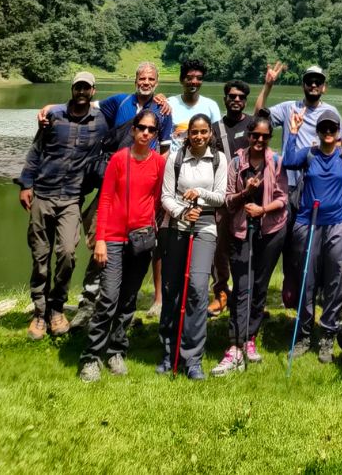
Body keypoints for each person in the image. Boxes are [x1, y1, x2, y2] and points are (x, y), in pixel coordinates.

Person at [36, 62, 173, 329]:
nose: (146, 82)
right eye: (141, 78)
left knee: (135, 249)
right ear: (135, 80)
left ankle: (121, 309)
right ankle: (90, 304)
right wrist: (52, 107)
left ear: (157, 82)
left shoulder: (163, 110)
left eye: (150, 79)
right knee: (101, 240)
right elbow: (84, 105)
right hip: (113, 186)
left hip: (143, 193)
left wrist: (158, 193)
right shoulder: (119, 103)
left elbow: (165, 152)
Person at [17, 72, 110, 341]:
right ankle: (39, 312)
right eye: (77, 87)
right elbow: (36, 151)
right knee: (40, 256)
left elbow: (132, 120)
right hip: (42, 194)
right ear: (72, 89)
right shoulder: (54, 117)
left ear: (93, 92)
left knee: (68, 253)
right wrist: (26, 184)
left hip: (71, 198)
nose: (82, 92)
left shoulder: (101, 121)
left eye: (87, 88)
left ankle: (57, 307)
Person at [78, 110, 167, 381]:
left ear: (155, 134)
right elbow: (104, 201)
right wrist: (100, 239)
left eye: (152, 130)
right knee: (108, 297)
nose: (146, 133)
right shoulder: (119, 159)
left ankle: (116, 350)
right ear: (133, 130)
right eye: (141, 128)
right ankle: (91, 356)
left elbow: (158, 199)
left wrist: (152, 228)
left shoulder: (158, 164)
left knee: (128, 299)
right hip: (114, 238)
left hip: (141, 239)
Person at [283, 108, 342, 363]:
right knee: (306, 281)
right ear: (319, 132)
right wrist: (292, 132)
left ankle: (327, 334)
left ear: (338, 131)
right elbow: (288, 161)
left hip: (339, 223)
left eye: (333, 128)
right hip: (308, 222)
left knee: (335, 280)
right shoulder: (309, 154)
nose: (328, 133)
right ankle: (303, 334)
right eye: (324, 129)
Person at [210, 114, 289, 377]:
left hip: (270, 230)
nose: (259, 140)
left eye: (265, 136)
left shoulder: (276, 162)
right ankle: (235, 343)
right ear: (249, 135)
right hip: (240, 231)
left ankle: (251, 337)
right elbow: (228, 200)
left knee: (259, 287)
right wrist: (246, 193)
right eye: (255, 135)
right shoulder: (236, 163)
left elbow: (282, 198)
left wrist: (262, 209)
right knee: (242, 287)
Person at [255, 63, 339, 307]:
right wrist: (268, 85)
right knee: (279, 240)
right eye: (309, 81)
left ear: (324, 86)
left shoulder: (331, 113)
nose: (313, 85)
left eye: (317, 81)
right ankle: (281, 293)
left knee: (305, 245)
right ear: (303, 85)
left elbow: (339, 148)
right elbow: (260, 116)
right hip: (286, 186)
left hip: (314, 190)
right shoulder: (290, 108)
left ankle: (301, 294)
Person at [157, 114, 227, 380]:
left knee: (197, 289)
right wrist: (182, 213)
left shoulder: (219, 160)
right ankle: (167, 352)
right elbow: (166, 196)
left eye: (203, 132)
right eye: (194, 132)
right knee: (172, 288)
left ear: (210, 133)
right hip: (177, 226)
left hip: (205, 228)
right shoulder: (175, 159)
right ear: (188, 135)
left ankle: (192, 358)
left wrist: (200, 193)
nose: (198, 136)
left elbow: (220, 198)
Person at [208, 79, 257, 318]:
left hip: (249, 196)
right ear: (225, 98)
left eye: (240, 97)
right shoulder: (215, 128)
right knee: (219, 248)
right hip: (223, 197)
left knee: (249, 248)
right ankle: (220, 292)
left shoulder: (252, 125)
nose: (236, 100)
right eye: (232, 96)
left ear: (245, 100)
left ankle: (246, 297)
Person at [167, 59, 222, 154]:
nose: (194, 82)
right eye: (189, 78)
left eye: (199, 78)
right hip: (175, 161)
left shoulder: (211, 106)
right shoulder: (170, 103)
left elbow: (217, 136)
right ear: (181, 79)